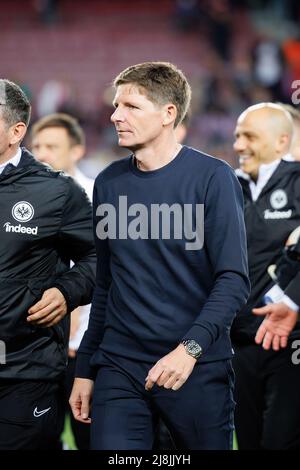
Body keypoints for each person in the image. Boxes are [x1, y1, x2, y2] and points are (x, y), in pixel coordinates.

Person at [69, 61, 250, 450]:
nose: (116, 116)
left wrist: (190, 350)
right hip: (119, 366)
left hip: (194, 366)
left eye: (131, 107)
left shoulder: (213, 178)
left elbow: (233, 280)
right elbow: (106, 282)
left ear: (169, 113)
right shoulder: (109, 182)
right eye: (116, 106)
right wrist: (86, 368)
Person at [0, 79, 96, 450]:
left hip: (24, 371)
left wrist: (66, 290)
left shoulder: (56, 191)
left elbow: (100, 257)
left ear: (16, 131)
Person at [231, 102, 300, 450]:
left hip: (291, 341)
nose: (239, 145)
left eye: (249, 136)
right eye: (237, 136)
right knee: (248, 440)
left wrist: (291, 298)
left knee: (280, 440)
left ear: (281, 141)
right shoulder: (227, 186)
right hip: (240, 340)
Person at [30, 113, 94, 449]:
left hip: (83, 349)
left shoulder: (99, 198)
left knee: (90, 437)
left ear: (77, 150)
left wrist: (79, 328)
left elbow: (103, 272)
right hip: (34, 349)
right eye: (36, 146)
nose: (41, 154)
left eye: (52, 146)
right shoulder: (19, 201)